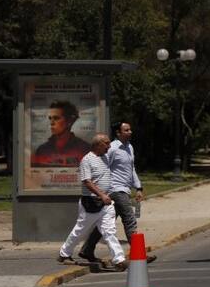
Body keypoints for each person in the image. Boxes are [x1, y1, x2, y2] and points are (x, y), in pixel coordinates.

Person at [79, 122, 156, 264]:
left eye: (130, 129)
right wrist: (102, 190)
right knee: (130, 219)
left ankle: (87, 250)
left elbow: (131, 169)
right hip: (115, 190)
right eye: (126, 130)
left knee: (105, 222)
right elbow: (102, 167)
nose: (130, 132)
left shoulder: (129, 147)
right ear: (118, 133)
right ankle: (139, 253)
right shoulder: (112, 148)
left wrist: (138, 187)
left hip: (125, 190)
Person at [57, 134, 127, 271]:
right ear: (98, 144)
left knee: (109, 231)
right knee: (80, 230)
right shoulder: (87, 160)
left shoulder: (105, 157)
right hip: (91, 202)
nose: (109, 146)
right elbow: (87, 181)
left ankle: (119, 260)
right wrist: (101, 194)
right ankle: (64, 254)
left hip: (106, 203)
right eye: (106, 143)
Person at [31, 100, 90, 167]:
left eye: (56, 118)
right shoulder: (42, 150)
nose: (51, 123)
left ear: (69, 121)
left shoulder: (84, 148)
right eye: (50, 118)